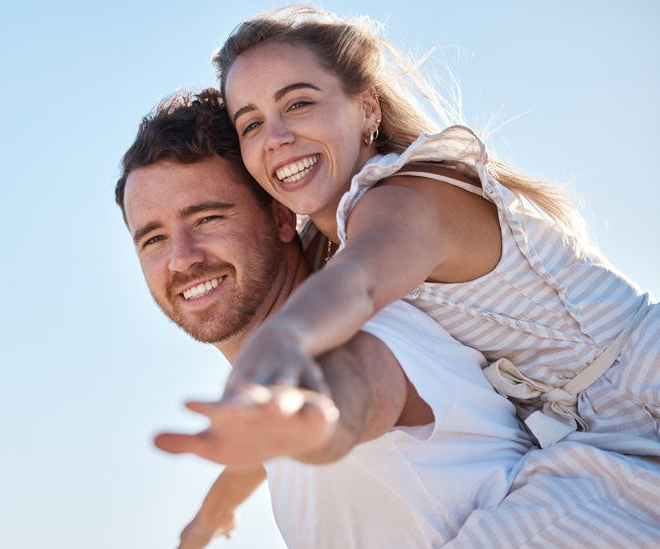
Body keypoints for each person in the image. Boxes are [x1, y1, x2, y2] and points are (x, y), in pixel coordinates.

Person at [213, 5, 659, 459]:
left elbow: (361, 281)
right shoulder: (328, 244)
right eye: (251, 124)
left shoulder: (403, 195)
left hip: (644, 385)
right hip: (597, 433)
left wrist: (282, 338)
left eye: (299, 103)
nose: (276, 137)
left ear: (368, 109)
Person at [115, 88, 531, 548]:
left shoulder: (368, 334)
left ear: (280, 218)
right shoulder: (269, 411)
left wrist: (313, 417)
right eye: (152, 239)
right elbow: (264, 441)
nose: (180, 259)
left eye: (208, 219)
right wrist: (210, 517)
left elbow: (353, 387)